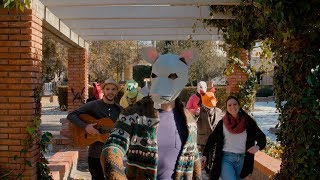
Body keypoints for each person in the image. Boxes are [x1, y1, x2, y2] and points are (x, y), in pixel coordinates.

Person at [100, 47, 202, 179]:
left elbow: (194, 158)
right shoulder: (133, 114)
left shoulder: (190, 121)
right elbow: (111, 149)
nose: (160, 84)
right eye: (155, 75)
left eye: (172, 76)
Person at [67, 78, 122, 180]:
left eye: (113, 89)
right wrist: (86, 127)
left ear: (117, 92)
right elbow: (71, 115)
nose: (110, 92)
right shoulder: (94, 105)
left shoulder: (120, 110)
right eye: (108, 89)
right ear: (103, 90)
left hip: (113, 155)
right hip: (95, 155)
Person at [202, 96, 266, 180]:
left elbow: (262, 137)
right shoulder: (222, 123)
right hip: (226, 158)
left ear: (239, 106)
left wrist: (257, 147)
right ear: (227, 108)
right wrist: (205, 154)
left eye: (235, 104)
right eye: (229, 105)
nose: (232, 107)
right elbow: (212, 139)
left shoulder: (248, 121)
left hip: (243, 159)